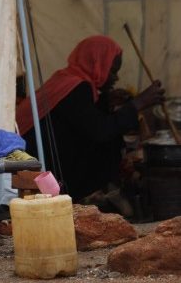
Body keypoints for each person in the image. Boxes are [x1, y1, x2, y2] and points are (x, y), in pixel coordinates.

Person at [16, 35, 165, 206]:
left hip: (43, 154)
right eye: (112, 71)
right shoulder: (76, 87)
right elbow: (101, 131)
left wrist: (106, 100)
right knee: (109, 144)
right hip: (38, 160)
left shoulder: (68, 79)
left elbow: (85, 119)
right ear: (97, 64)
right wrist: (138, 103)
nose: (115, 78)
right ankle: (83, 195)